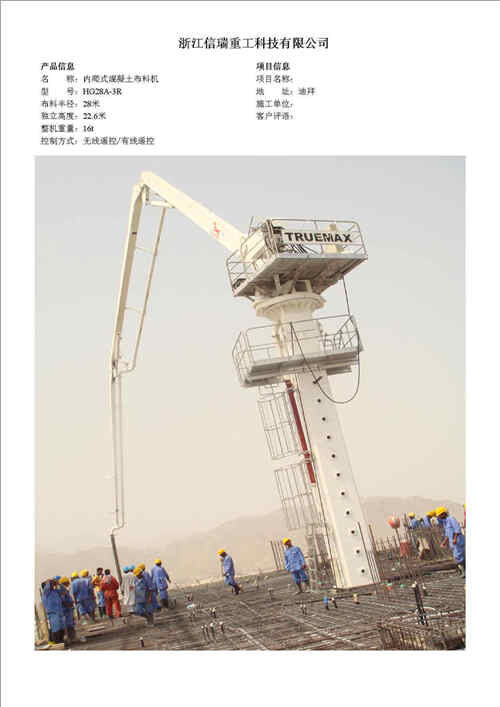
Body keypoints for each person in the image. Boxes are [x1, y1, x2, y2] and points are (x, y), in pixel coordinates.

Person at [436, 506, 466, 577]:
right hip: (453, 543)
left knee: (459, 556)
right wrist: (444, 542)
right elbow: (448, 534)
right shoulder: (445, 522)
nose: (439, 517)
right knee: (457, 557)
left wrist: (455, 539)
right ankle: (462, 571)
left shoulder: (451, 519)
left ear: (443, 514)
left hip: (458, 541)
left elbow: (457, 529)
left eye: (440, 515)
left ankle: (464, 572)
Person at [42, 578, 65, 645]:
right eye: (50, 584)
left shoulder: (55, 591)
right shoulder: (46, 592)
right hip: (52, 613)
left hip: (59, 612)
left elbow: (64, 591)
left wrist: (59, 583)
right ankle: (57, 642)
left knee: (62, 627)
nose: (52, 585)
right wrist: (50, 581)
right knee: (56, 628)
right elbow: (48, 586)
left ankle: (61, 641)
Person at [59, 577, 76, 643]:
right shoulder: (62, 590)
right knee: (69, 624)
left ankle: (72, 638)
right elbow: (63, 600)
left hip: (68, 609)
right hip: (66, 610)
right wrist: (69, 604)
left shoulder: (64, 589)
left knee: (70, 623)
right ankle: (71, 638)